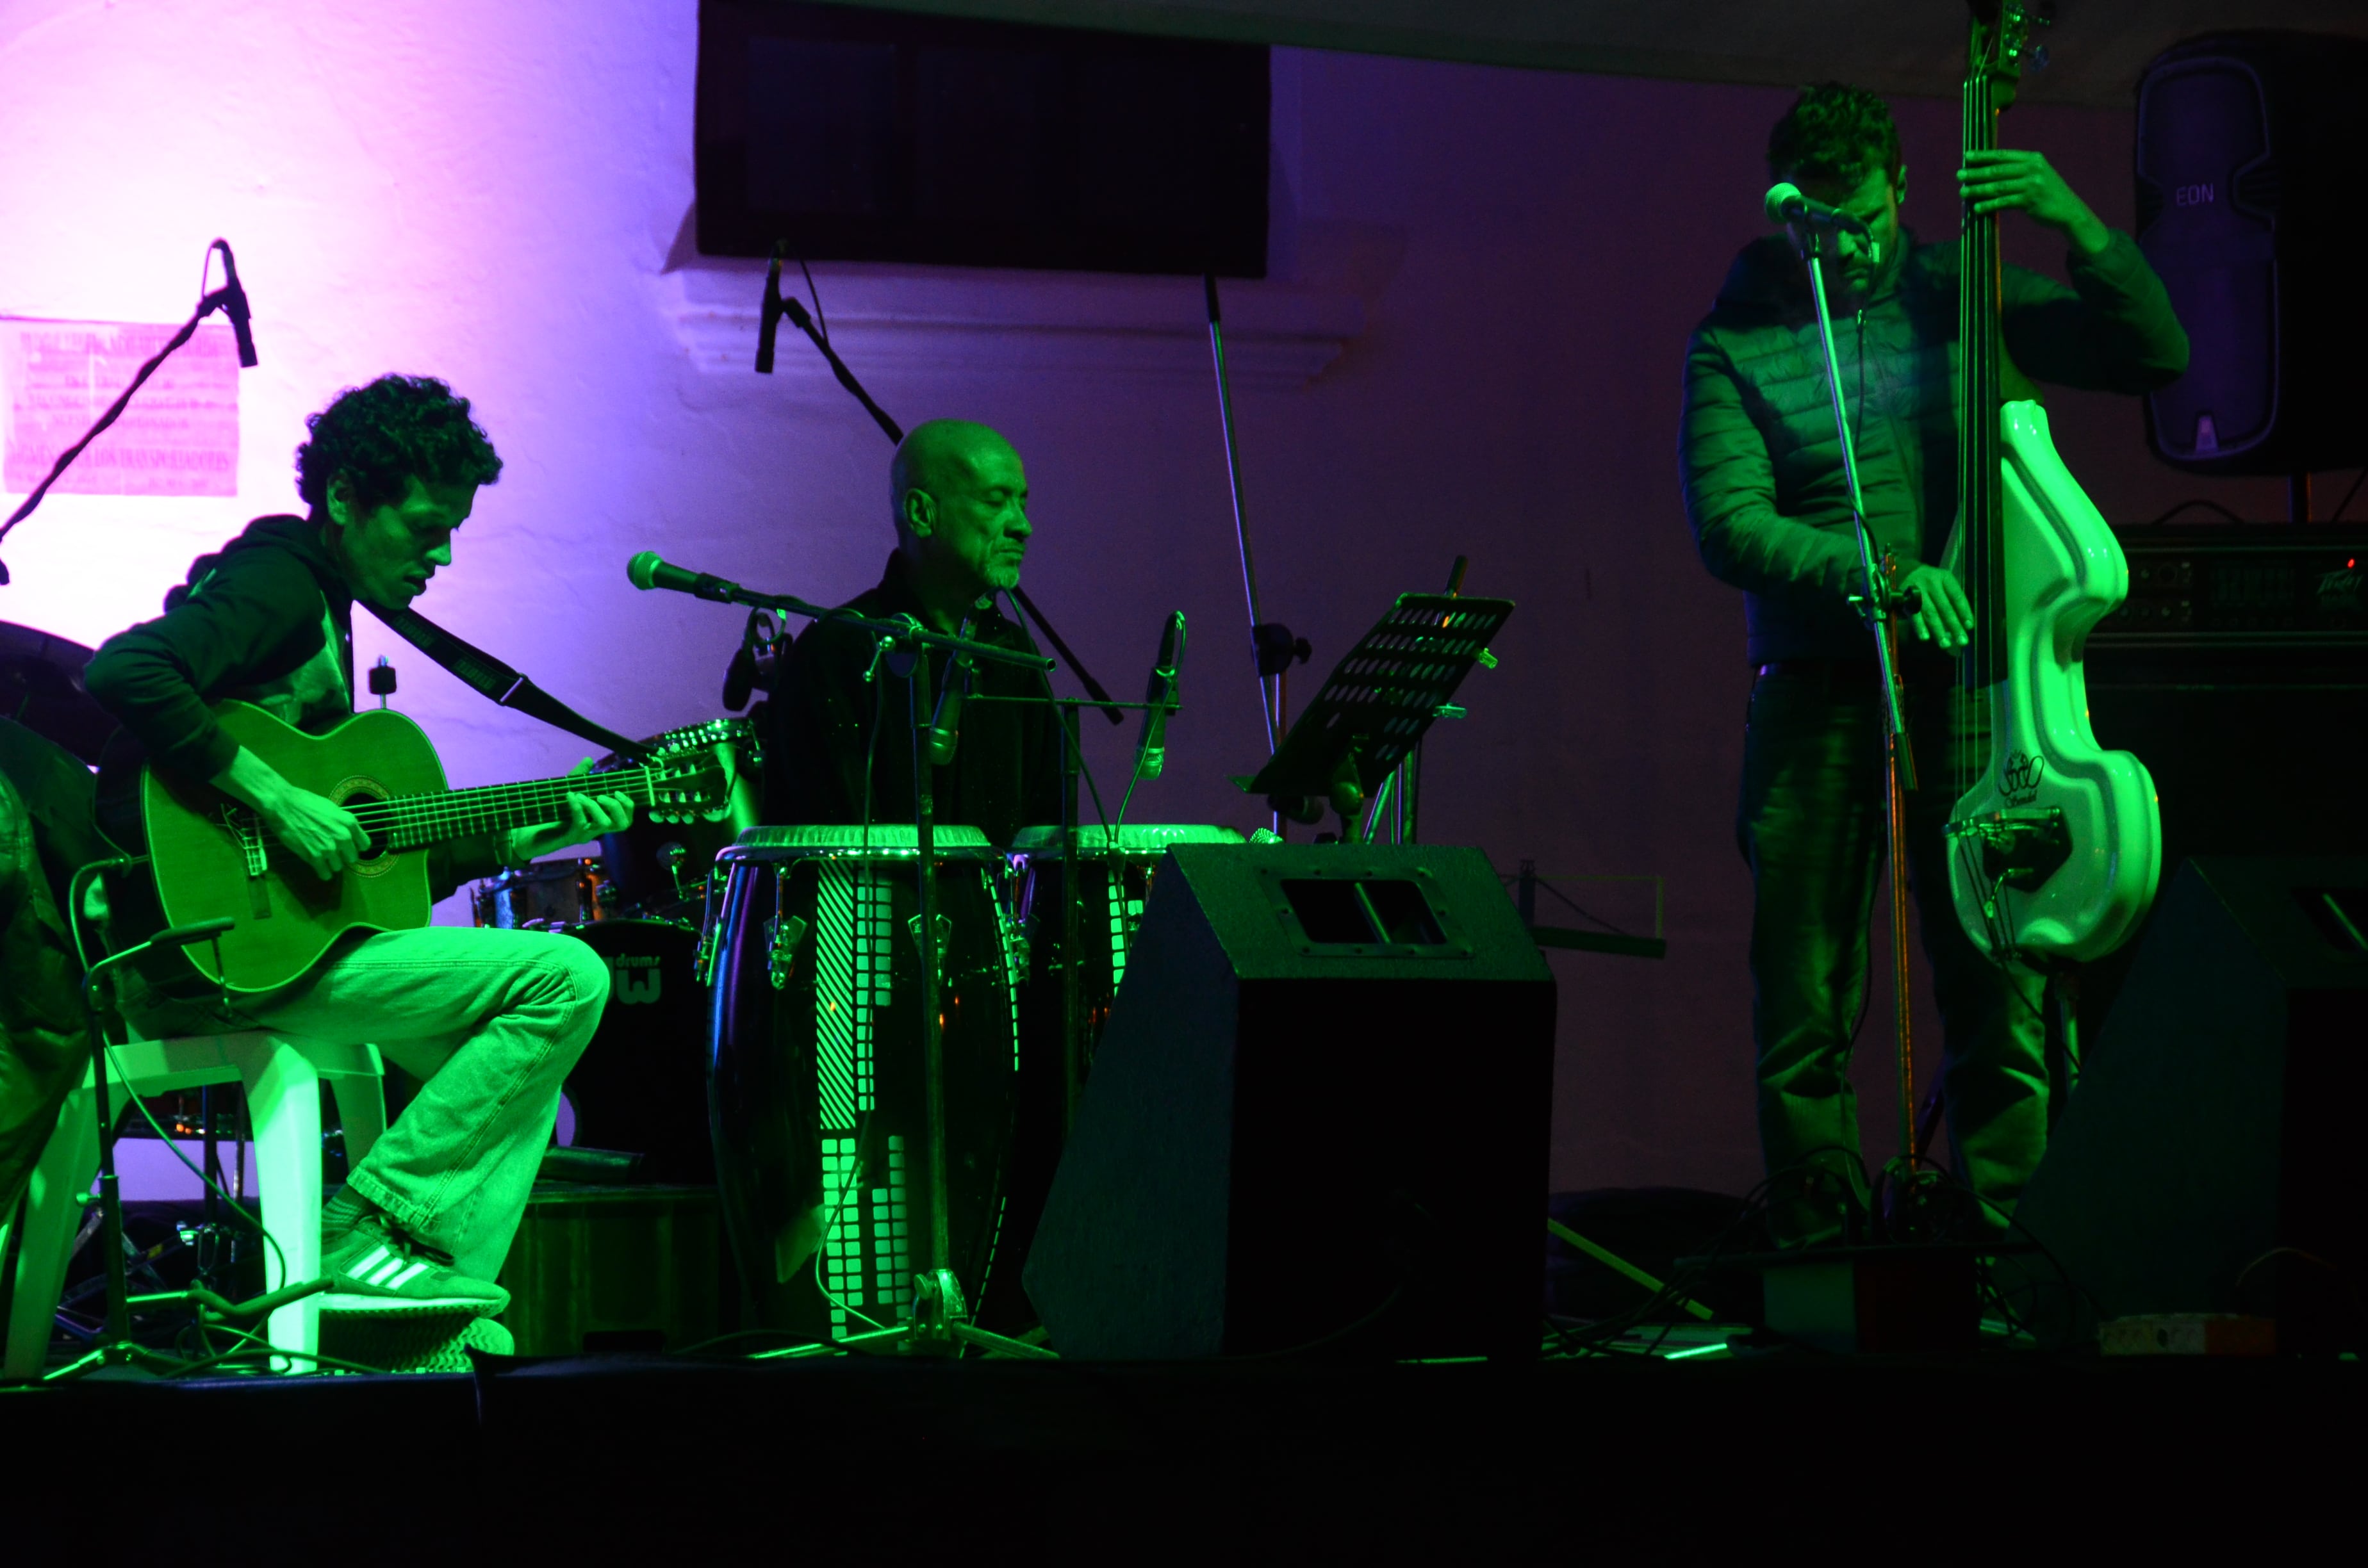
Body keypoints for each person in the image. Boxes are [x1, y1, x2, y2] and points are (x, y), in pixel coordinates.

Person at [1679, 85, 2188, 1244]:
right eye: (1814, 226)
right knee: (1805, 1000)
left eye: (1861, 220)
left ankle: (2013, 1250)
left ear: (1902, 192)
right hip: (1817, 700)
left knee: (1996, 976)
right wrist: (1888, 570)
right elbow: (1728, 522)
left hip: (1974, 697)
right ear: (1782, 215)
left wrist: (2083, 226)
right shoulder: (1735, 336)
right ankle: (1819, 1254)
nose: (1843, 248)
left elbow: (2154, 353)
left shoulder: (1969, 288)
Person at [81, 374, 637, 1311]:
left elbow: (372, 868)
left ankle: (414, 1311)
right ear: (345, 499)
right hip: (212, 961)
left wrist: (519, 834)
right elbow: (126, 668)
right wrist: (275, 799)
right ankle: (373, 1228)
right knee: (569, 980)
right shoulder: (283, 580)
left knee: (524, 1083)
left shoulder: (322, 606)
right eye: (425, 526)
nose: (444, 554)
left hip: (276, 957)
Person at [764, 418, 1065, 841]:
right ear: (922, 513)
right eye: (996, 502)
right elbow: (826, 848)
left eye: (1022, 503)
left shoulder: (1012, 651)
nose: (1022, 526)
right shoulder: (840, 647)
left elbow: (1044, 832)